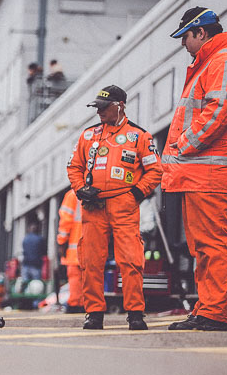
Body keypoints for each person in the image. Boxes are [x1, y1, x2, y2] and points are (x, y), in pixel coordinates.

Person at [163, 8, 227, 332]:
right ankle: (206, 309)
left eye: (185, 37)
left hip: (211, 173)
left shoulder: (224, 60)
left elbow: (221, 110)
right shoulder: (213, 62)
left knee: (212, 245)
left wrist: (184, 144)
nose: (183, 44)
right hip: (201, 174)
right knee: (203, 247)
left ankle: (213, 313)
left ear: (201, 32)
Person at [67, 85, 162, 329]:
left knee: (131, 260)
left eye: (103, 107)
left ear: (119, 106)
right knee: (90, 261)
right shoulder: (88, 135)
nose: (99, 112)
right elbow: (74, 167)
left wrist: (136, 194)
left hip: (124, 205)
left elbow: (155, 170)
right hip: (93, 206)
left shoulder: (139, 136)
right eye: (97, 107)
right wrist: (81, 189)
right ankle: (94, 314)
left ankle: (135, 314)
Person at [56, 189, 84, 313]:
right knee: (90, 277)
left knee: (75, 276)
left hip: (75, 245)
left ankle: (75, 303)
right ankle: (89, 304)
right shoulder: (98, 192)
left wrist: (61, 242)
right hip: (93, 245)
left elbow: (65, 221)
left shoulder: (73, 195)